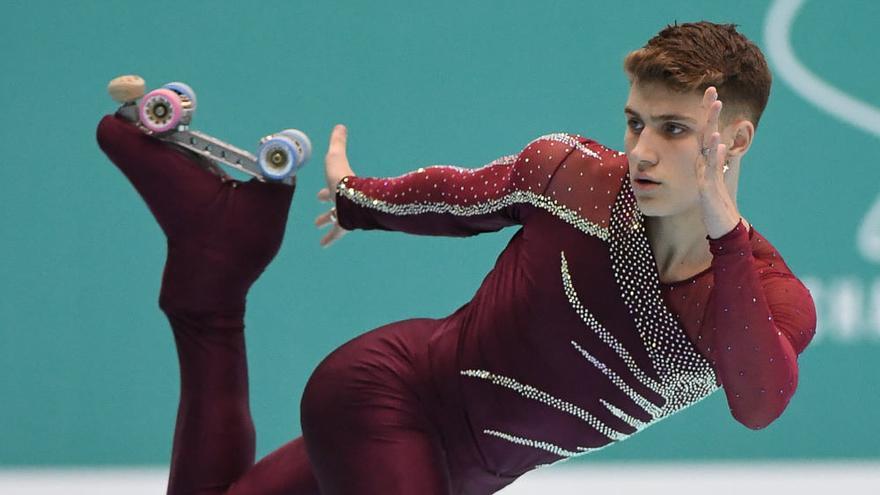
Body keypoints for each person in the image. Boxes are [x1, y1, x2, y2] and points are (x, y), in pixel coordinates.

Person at [96, 20, 816, 495]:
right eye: (635, 121)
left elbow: (757, 402)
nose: (643, 150)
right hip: (383, 395)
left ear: (737, 139)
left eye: (674, 128)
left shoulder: (773, 297)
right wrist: (355, 195)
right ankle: (210, 285)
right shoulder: (575, 175)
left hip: (455, 471)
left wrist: (723, 234)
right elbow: (463, 197)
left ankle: (209, 295)